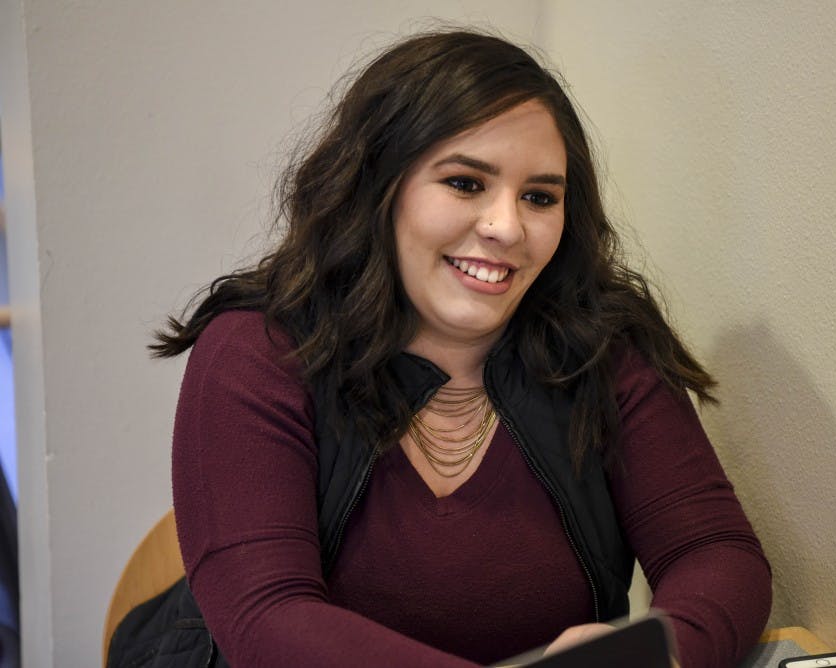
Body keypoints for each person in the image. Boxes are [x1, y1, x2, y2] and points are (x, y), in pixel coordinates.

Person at [152, 29, 771, 668]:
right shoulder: (255, 352)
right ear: (379, 187)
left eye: (539, 197)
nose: (506, 227)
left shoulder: (604, 349)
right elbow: (267, 618)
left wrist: (660, 650)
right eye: (465, 183)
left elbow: (717, 552)